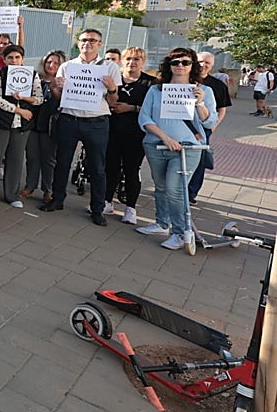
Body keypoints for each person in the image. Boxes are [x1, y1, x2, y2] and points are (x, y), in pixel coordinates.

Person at [137, 48, 218, 250]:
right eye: (175, 62)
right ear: (168, 66)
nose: (180, 66)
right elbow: (144, 118)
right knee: (161, 187)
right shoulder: (157, 90)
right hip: (156, 144)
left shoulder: (204, 91)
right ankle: (162, 223)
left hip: (188, 148)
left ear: (193, 66)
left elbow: (209, 122)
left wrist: (199, 103)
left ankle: (181, 232)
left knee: (175, 189)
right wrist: (165, 137)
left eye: (185, 62)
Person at [41, 29, 121, 226]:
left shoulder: (109, 67)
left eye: (93, 41)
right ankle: (58, 199)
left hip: (97, 122)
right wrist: (54, 87)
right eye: (84, 40)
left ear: (100, 44)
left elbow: (113, 101)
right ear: (78, 43)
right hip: (69, 119)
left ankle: (97, 208)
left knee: (97, 167)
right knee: (62, 162)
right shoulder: (68, 66)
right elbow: (60, 98)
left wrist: (111, 88)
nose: (88, 43)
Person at [0, 45, 43, 207]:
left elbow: (39, 99)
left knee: (16, 160)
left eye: (17, 57)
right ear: (4, 59)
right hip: (0, 123)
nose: (14, 60)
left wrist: (24, 98)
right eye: (10, 57)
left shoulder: (33, 76)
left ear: (22, 59)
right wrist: (18, 110)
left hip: (22, 125)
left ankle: (12, 195)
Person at [105, 46, 154, 224]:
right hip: (112, 131)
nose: (131, 63)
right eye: (128, 59)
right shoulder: (112, 79)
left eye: (136, 59)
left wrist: (131, 108)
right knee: (110, 169)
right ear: (122, 60)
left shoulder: (151, 83)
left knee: (131, 170)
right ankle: (106, 201)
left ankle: (130, 208)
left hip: (136, 134)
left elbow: (155, 110)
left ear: (142, 62)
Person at [188, 51, 232, 206]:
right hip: (182, 126)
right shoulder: (185, 80)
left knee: (199, 161)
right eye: (200, 61)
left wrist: (213, 127)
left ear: (212, 66)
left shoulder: (217, 86)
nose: (203, 65)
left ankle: (191, 192)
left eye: (207, 63)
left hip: (203, 128)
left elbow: (222, 109)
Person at [23, 50, 64, 204]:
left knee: (49, 159)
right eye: (48, 62)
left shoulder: (63, 82)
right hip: (33, 124)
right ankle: (30, 186)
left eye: (55, 63)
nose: (51, 65)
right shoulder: (35, 79)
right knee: (32, 157)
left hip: (50, 126)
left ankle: (48, 189)